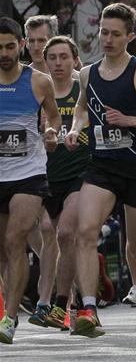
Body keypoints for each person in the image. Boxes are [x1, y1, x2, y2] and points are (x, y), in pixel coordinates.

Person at [65, 4, 136, 338]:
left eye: (116, 34)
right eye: (104, 32)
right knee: (85, 232)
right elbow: (83, 107)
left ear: (130, 35)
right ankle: (88, 309)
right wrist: (75, 128)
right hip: (101, 166)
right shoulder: (88, 73)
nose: (109, 39)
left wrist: (131, 121)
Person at [0, 18, 61, 344]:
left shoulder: (38, 81)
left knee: (15, 239)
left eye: (10, 46)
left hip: (29, 173)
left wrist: (50, 131)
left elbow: (52, 115)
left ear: (21, 45)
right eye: (0, 47)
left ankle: (9, 318)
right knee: (2, 250)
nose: (5, 53)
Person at [27, 36, 89, 331]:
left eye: (64, 57)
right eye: (52, 58)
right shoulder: (37, 90)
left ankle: (58, 305)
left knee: (62, 232)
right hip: (48, 175)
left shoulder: (84, 88)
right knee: (65, 240)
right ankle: (79, 304)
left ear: (75, 59)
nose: (58, 63)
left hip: (83, 172)